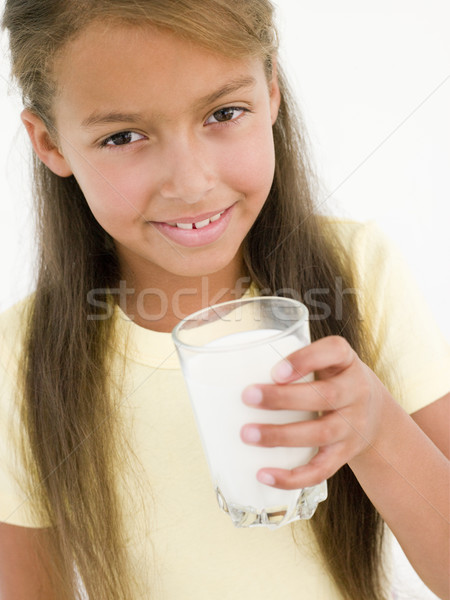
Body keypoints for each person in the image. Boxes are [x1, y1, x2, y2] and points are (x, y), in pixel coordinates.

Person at [0, 1, 448, 599]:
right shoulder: (21, 358)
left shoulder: (357, 273)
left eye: (224, 113)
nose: (190, 182)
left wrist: (379, 432)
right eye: (123, 136)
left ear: (271, 92)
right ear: (49, 142)